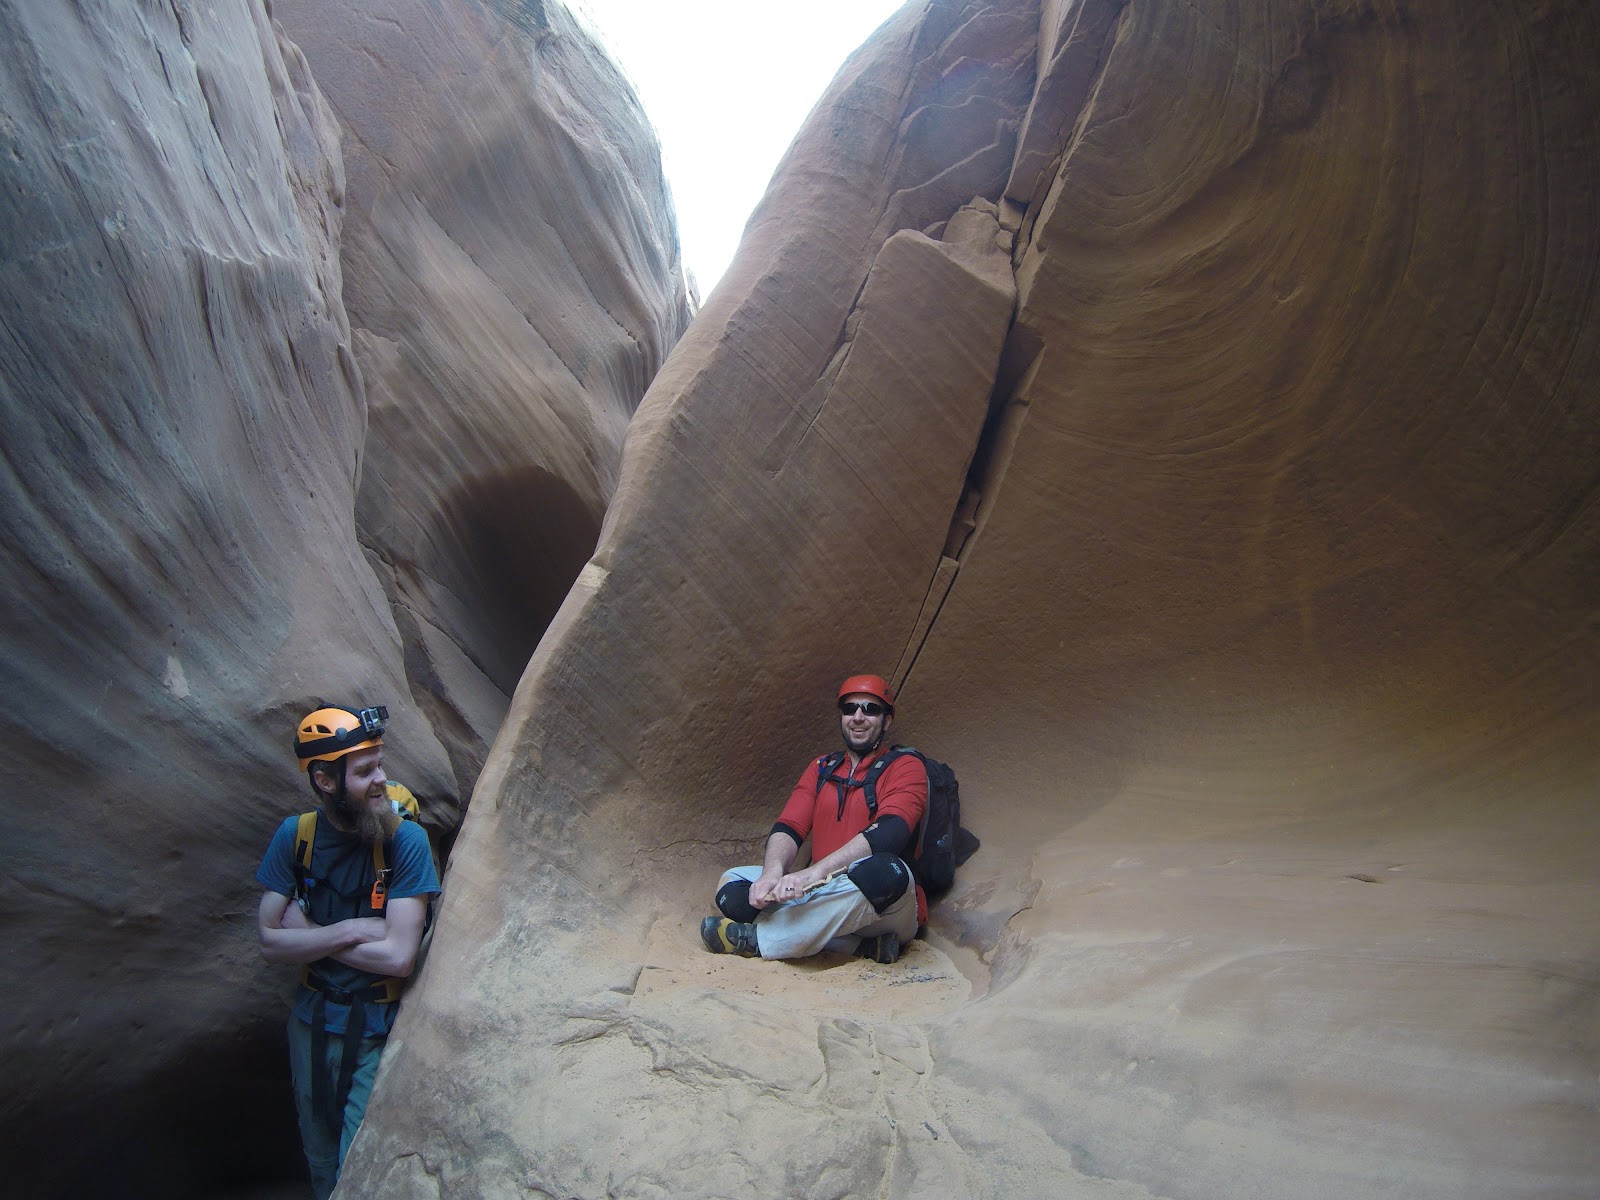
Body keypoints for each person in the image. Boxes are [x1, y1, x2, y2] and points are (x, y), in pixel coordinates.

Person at [255, 705, 440, 1200]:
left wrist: (311, 935)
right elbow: (269, 942)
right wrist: (353, 928)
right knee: (319, 1158)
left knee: (359, 1163)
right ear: (325, 781)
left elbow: (399, 957)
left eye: (379, 765)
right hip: (311, 1023)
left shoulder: (406, 842)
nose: (381, 780)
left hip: (377, 1028)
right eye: (364, 771)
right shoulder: (296, 837)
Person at [701, 674, 927, 964]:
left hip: (883, 905)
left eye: (870, 709)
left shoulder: (906, 766)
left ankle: (759, 941)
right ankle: (856, 947)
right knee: (732, 883)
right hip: (823, 893)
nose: (858, 717)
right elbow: (789, 826)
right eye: (850, 709)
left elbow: (890, 833)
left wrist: (813, 874)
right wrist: (772, 873)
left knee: (888, 870)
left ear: (887, 721)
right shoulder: (822, 767)